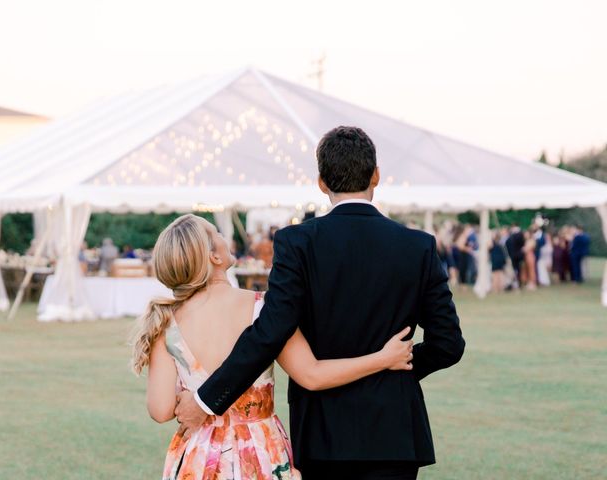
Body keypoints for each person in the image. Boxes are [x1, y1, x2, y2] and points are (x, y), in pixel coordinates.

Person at [176, 126, 465, 479]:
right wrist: (396, 369)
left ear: (321, 183)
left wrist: (206, 400)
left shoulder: (297, 243)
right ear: (376, 175)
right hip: (394, 432)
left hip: (322, 433)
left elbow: (269, 332)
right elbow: (448, 344)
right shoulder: (417, 246)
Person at [130, 214, 414, 480]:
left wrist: (189, 393)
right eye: (217, 233)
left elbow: (160, 410)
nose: (223, 236)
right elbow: (312, 375)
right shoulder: (263, 309)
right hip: (261, 452)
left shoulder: (166, 323)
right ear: (214, 256)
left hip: (199, 459)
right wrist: (382, 359)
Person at [505, 225, 525, 289]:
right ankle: (518, 283)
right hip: (517, 256)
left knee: (516, 270)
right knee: (517, 270)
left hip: (514, 256)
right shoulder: (519, 236)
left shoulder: (510, 238)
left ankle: (517, 283)